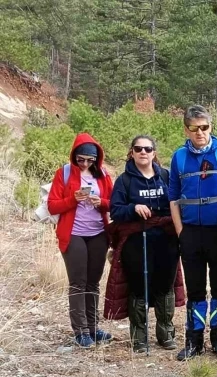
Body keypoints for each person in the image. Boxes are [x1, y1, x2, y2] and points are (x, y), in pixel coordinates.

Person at [168, 105, 217, 360]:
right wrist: (180, 231)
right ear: (186, 129)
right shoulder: (179, 157)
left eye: (204, 127)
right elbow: (173, 197)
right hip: (190, 232)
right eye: (194, 128)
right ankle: (194, 340)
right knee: (195, 289)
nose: (200, 132)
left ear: (211, 127)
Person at [108, 135, 182, 352]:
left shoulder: (166, 176)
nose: (143, 152)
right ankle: (139, 337)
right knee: (138, 287)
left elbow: (177, 204)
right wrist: (133, 208)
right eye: (138, 149)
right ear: (131, 152)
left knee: (165, 285)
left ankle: (166, 332)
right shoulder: (124, 181)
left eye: (147, 149)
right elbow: (115, 211)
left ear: (154, 153)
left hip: (166, 239)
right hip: (136, 240)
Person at [47, 133, 114, 348]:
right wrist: (72, 199)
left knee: (93, 282)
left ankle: (93, 329)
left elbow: (114, 202)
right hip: (73, 233)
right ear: (74, 155)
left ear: (97, 159)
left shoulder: (103, 175)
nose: (85, 163)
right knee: (78, 283)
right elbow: (52, 206)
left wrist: (101, 202)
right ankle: (80, 331)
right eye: (81, 159)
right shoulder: (64, 174)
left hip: (98, 233)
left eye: (90, 160)